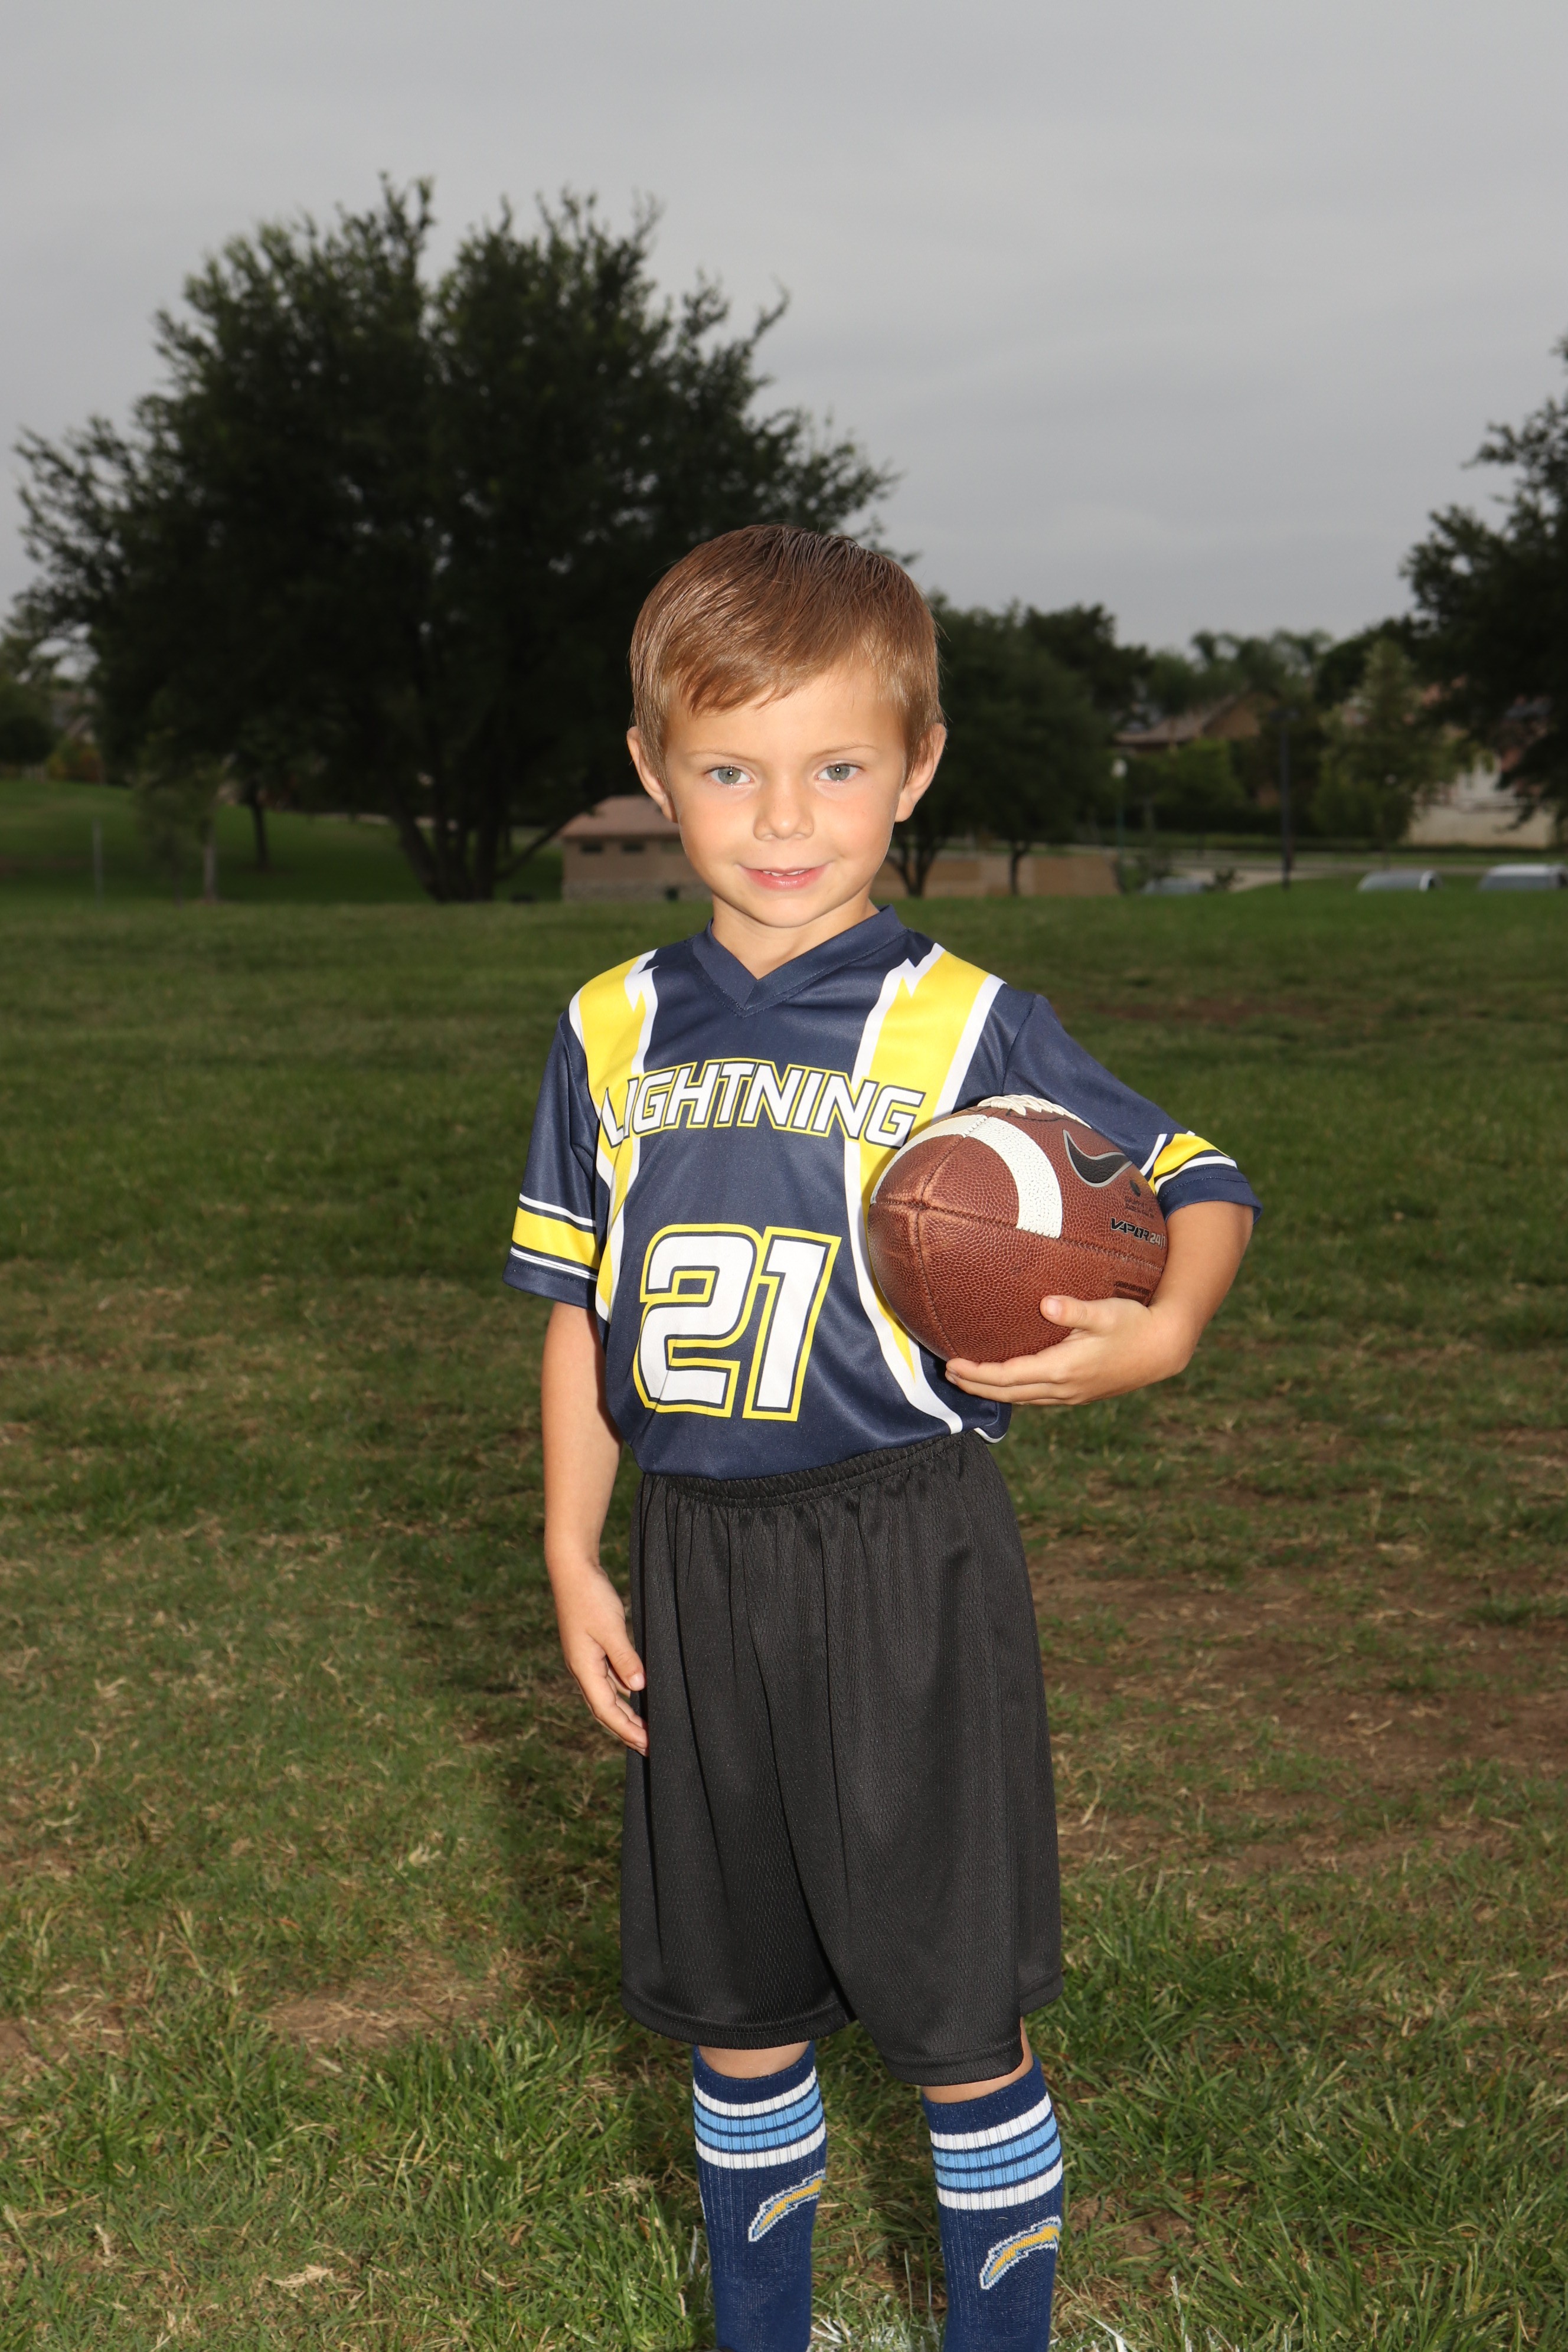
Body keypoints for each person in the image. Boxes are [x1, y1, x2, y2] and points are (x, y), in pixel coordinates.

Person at [505, 527, 1259, 2352]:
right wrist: (570, 1550)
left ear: (915, 769)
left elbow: (1197, 1175)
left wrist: (1163, 1329)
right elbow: (581, 1308)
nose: (785, 818)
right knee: (736, 2014)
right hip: (696, 1561)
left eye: (837, 767)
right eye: (730, 770)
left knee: (952, 2019)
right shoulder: (608, 1029)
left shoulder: (967, 1022)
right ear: (652, 770)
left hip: (902, 1550)